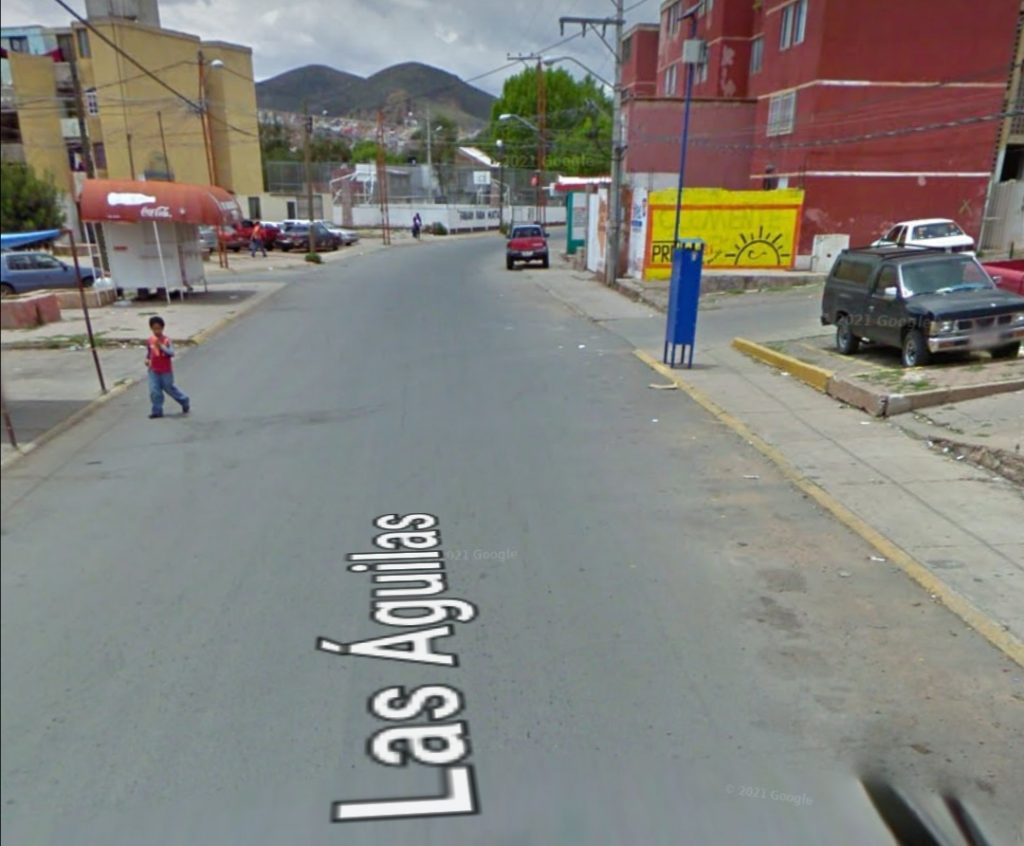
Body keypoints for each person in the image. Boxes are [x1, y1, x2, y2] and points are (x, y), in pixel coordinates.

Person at [145, 316, 190, 419]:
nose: (157, 331)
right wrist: (147, 360)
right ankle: (157, 410)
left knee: (169, 388)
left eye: (159, 329)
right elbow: (149, 353)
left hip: (165, 370)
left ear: (162, 328)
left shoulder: (166, 340)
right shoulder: (150, 340)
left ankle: (184, 400)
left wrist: (162, 347)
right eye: (154, 329)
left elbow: (171, 353)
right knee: (154, 390)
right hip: (153, 370)